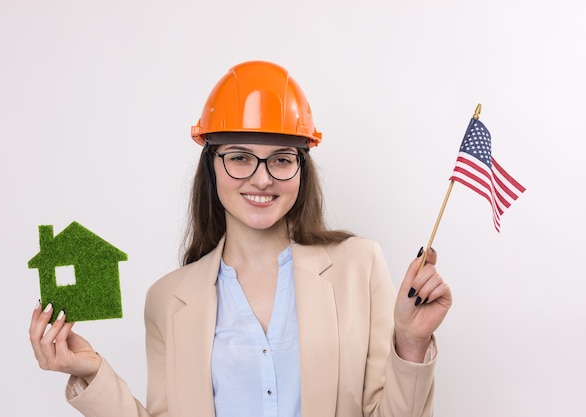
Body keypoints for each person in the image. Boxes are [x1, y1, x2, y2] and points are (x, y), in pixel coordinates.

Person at [29, 60, 452, 417]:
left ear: (302, 169)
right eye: (239, 157)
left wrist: (411, 343)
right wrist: (91, 372)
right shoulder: (167, 300)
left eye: (282, 160)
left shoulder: (358, 265)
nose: (262, 178)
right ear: (211, 165)